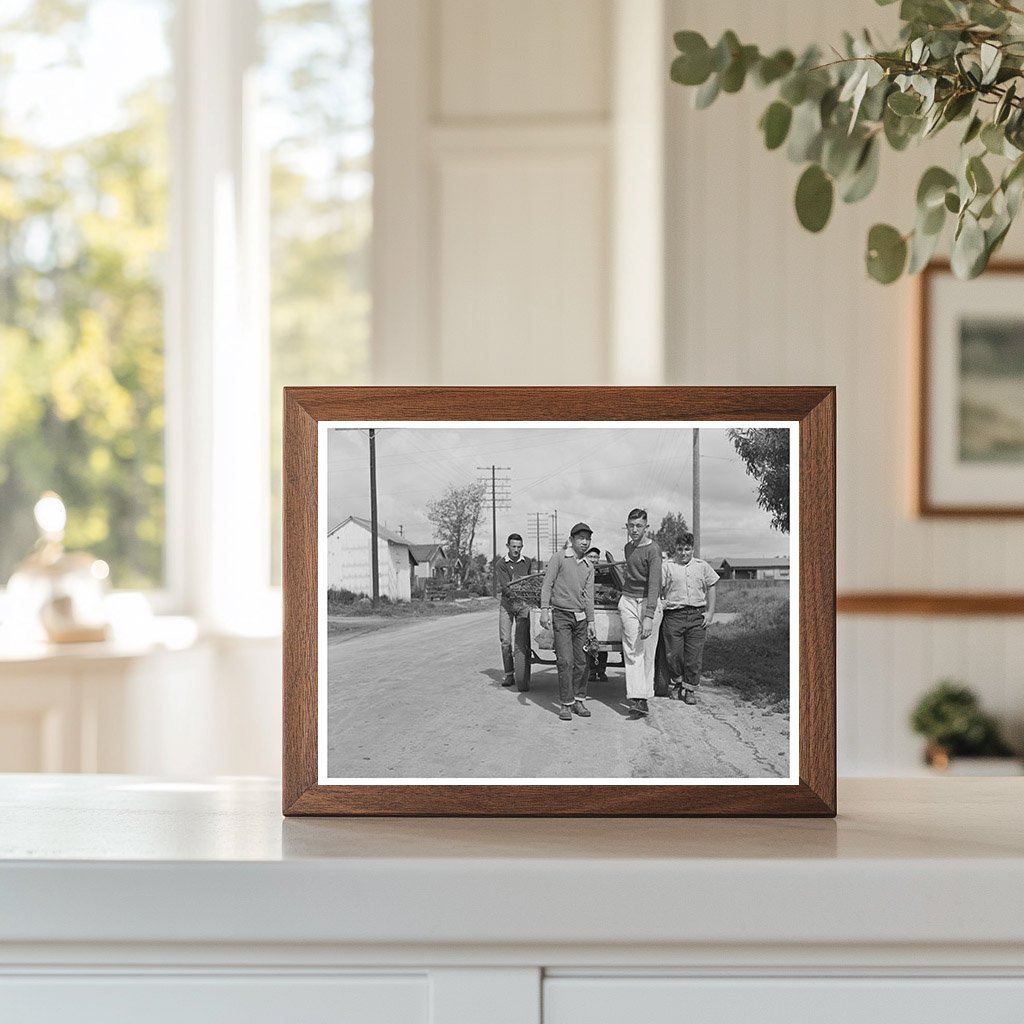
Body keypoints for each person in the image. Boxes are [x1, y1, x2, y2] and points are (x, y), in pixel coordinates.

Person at [540, 523, 597, 721]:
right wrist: (544, 611)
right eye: (580, 538)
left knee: (582, 662)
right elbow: (547, 584)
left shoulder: (589, 566)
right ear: (572, 539)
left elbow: (589, 596)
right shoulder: (559, 558)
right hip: (561, 616)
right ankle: (566, 703)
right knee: (565, 661)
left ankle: (579, 700)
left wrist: (591, 622)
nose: (584, 542)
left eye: (587, 538)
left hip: (580, 618)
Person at [659, 532, 719, 704]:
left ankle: (690, 689)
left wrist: (710, 612)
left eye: (687, 549)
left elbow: (712, 586)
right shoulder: (667, 566)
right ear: (675, 549)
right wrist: (661, 603)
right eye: (680, 549)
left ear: (692, 549)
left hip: (696, 616)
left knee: (693, 656)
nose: (683, 553)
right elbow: (657, 588)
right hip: (674, 616)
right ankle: (678, 683)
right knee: (673, 654)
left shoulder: (702, 566)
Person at [618, 508, 662, 716]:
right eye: (631, 525)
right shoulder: (628, 548)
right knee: (633, 648)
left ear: (646, 527)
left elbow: (654, 584)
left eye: (638, 526)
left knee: (647, 651)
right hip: (628, 599)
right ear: (627, 526)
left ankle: (643, 697)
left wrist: (649, 616)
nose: (634, 530)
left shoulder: (653, 550)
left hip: (648, 601)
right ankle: (637, 698)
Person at [495, 533, 534, 686]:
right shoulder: (501, 564)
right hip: (507, 605)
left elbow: (531, 582)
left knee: (520, 641)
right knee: (505, 641)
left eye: (519, 547)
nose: (516, 550)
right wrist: (517, 593)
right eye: (513, 547)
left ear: (522, 547)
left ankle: (522, 672)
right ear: (508, 546)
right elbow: (506, 587)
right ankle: (509, 673)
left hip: (523, 605)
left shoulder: (528, 562)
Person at [584, 546, 609, 683]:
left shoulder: (604, 573)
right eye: (591, 556)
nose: (593, 559)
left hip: (602, 609)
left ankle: (601, 671)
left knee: (603, 642)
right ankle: (592, 672)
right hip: (588, 609)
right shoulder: (582, 570)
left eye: (596, 557)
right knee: (589, 643)